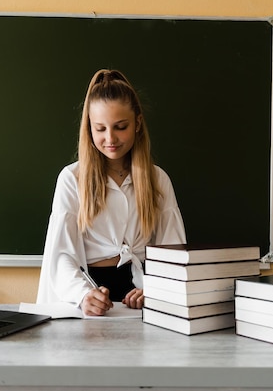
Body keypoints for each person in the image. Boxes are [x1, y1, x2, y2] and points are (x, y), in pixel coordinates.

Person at [36, 69, 186, 316]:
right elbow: (61, 256)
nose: (110, 138)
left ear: (137, 123)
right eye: (101, 129)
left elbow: (174, 251)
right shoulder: (71, 179)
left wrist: (156, 290)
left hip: (143, 296)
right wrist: (83, 294)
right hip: (93, 294)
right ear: (89, 129)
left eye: (120, 126)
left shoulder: (157, 179)